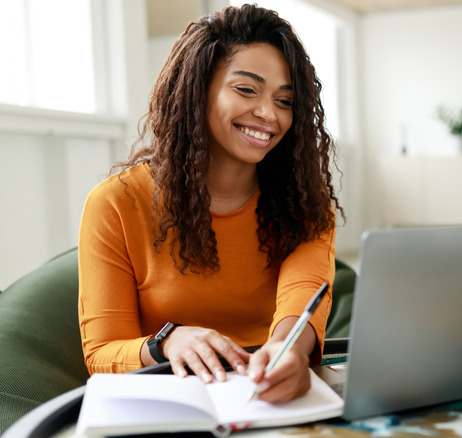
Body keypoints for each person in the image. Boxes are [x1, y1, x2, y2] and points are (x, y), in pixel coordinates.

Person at [78, 4, 343, 404]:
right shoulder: (116, 203)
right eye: (246, 89)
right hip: (166, 399)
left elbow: (302, 293)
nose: (268, 114)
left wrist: (290, 348)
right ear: (196, 88)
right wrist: (167, 342)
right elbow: (101, 353)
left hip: (269, 396)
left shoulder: (304, 203)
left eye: (285, 101)